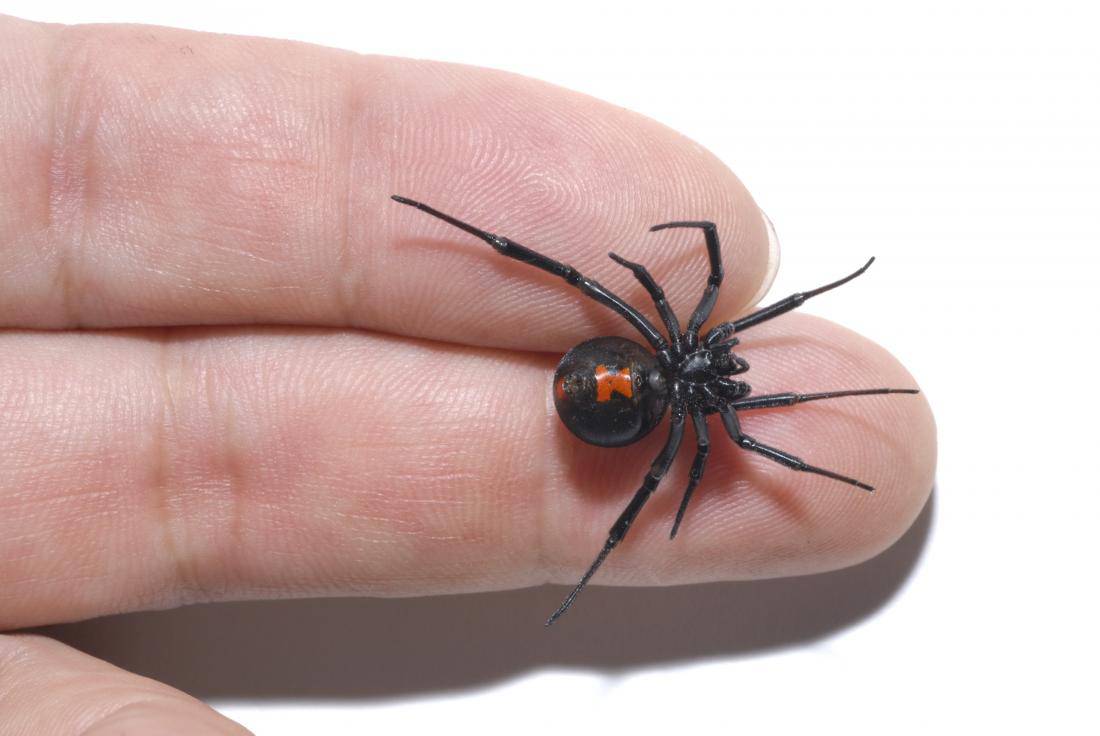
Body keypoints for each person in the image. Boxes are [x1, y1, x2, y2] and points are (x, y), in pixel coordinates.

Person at [0, 14, 934, 734]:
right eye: (739, 374)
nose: (736, 375)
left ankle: (604, 554)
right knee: (585, 289)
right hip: (607, 388)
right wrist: (814, 291)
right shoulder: (692, 372)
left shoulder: (695, 400)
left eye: (737, 383)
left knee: (613, 325)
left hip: (615, 390)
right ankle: (448, 221)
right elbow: (696, 280)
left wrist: (819, 413)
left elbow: (702, 387)